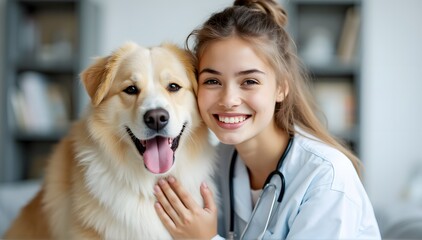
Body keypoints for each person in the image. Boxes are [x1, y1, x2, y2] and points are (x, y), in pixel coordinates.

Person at [153, 0, 381, 239]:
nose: (229, 99)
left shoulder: (327, 177)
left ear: (281, 88)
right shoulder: (215, 161)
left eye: (249, 81)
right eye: (212, 81)